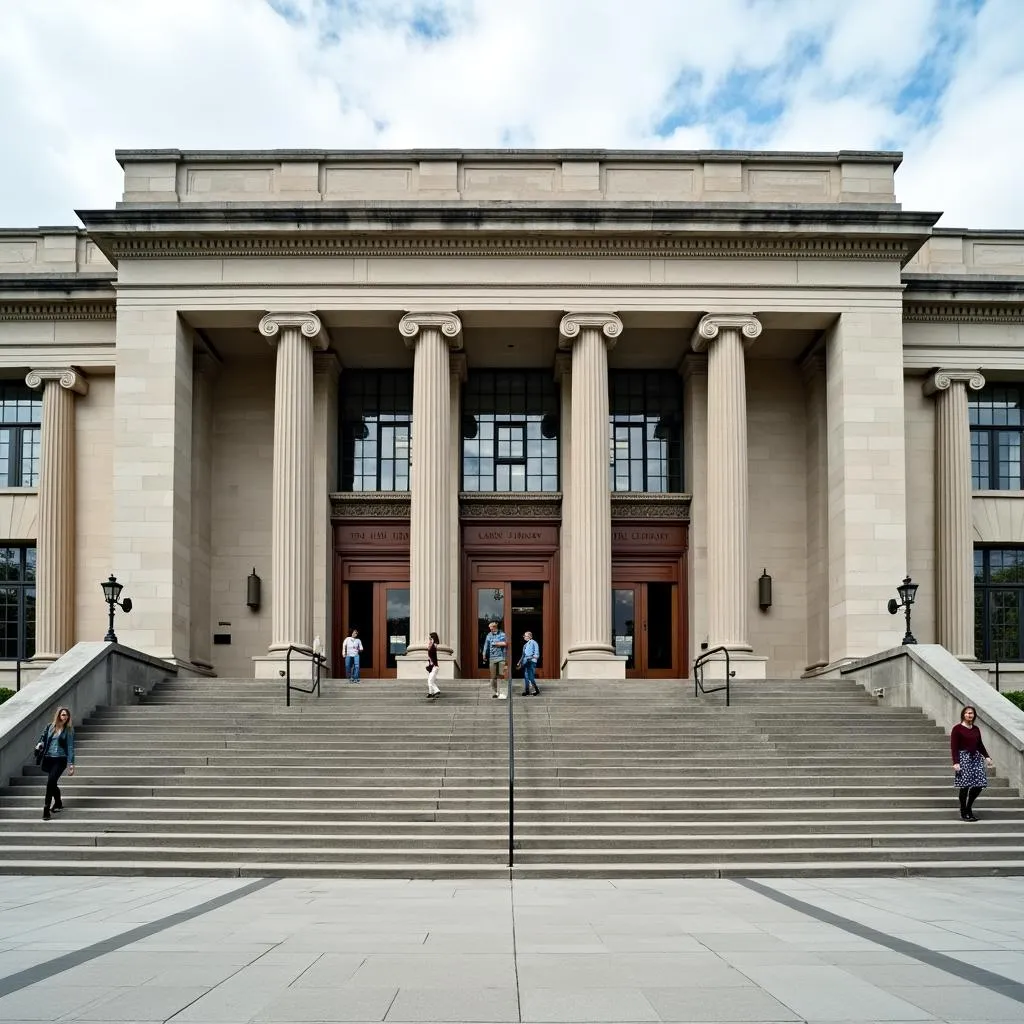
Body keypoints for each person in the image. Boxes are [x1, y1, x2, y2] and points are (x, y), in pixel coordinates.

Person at [951, 705, 993, 822]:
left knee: (980, 784)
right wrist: (956, 762)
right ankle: (963, 811)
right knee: (965, 786)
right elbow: (954, 747)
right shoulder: (957, 729)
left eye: (972, 713)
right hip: (964, 758)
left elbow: (980, 744)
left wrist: (987, 756)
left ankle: (969, 807)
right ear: (963, 715)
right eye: (967, 713)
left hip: (976, 758)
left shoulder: (976, 729)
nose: (970, 715)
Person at [35, 707, 75, 821]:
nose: (65, 717)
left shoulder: (69, 730)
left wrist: (71, 764)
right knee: (52, 782)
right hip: (49, 759)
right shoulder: (50, 726)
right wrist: (39, 745)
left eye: (66, 715)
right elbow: (42, 738)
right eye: (63, 715)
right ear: (58, 715)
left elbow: (70, 747)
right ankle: (58, 802)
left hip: (60, 760)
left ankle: (46, 808)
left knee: (50, 782)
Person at [482, 621, 507, 699]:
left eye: (491, 628)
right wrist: (484, 654)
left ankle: (502, 693)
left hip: (501, 658)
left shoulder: (502, 634)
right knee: (493, 677)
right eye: (489, 628)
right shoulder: (489, 635)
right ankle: (496, 692)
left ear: (495, 627)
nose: (490, 629)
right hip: (492, 658)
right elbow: (486, 645)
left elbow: (506, 643)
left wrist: (496, 643)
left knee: (501, 675)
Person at [517, 631, 541, 696]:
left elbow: (536, 652)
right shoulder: (525, 645)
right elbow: (523, 655)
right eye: (524, 636)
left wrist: (533, 659)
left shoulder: (534, 642)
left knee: (530, 676)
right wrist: (519, 662)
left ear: (530, 636)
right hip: (526, 661)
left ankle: (536, 689)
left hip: (531, 661)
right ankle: (527, 691)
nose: (524, 637)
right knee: (526, 676)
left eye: (525, 636)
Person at [425, 631, 441, 699]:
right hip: (433, 667)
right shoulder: (432, 646)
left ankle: (433, 692)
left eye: (430, 638)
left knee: (430, 681)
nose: (429, 640)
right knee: (431, 681)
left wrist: (431, 643)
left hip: (435, 667)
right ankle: (433, 692)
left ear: (433, 638)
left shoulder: (434, 646)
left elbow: (434, 647)